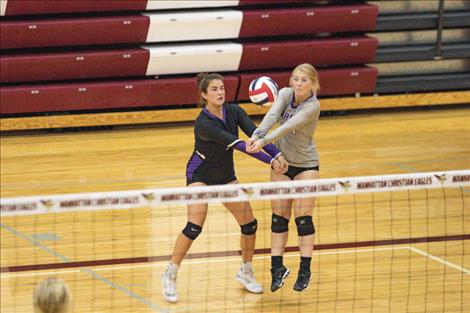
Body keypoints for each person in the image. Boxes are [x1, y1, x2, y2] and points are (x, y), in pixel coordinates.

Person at [161, 73, 288, 303]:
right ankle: (170, 272)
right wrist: (270, 160)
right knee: (193, 227)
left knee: (249, 224)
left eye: (222, 88)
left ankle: (246, 271)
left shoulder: (235, 111)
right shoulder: (204, 123)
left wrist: (277, 153)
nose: (220, 92)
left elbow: (256, 134)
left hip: (225, 175)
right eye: (214, 90)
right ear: (204, 95)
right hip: (200, 175)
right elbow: (241, 145)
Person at [246, 63, 321, 292]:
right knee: (279, 218)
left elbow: (287, 126)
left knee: (303, 218)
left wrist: (263, 142)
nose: (298, 84)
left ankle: (304, 269)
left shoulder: (312, 106)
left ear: (313, 84)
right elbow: (272, 116)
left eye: (304, 80)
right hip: (281, 163)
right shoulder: (285, 94)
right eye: (296, 79)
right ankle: (276, 269)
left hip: (306, 165)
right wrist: (256, 134)